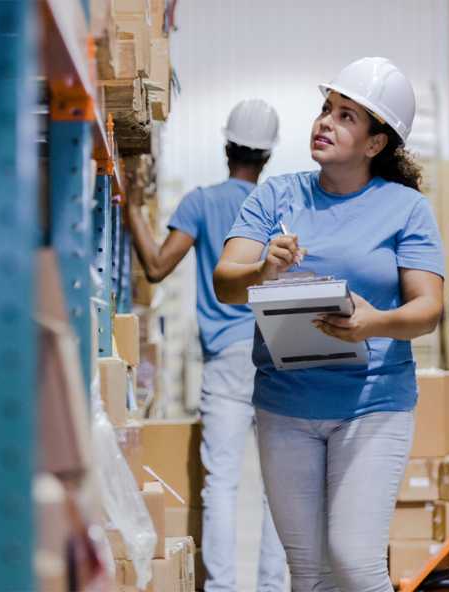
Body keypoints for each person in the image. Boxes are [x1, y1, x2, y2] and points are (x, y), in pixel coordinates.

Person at [213, 57, 444, 592]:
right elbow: (226, 283)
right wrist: (262, 268)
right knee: (310, 573)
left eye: (345, 116)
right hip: (286, 404)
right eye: (325, 109)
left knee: (355, 561)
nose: (324, 122)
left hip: (372, 404)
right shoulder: (275, 196)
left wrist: (376, 322)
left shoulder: (406, 209)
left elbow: (427, 309)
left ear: (374, 144)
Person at [125, 99, 287, 592]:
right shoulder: (276, 206)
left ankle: (220, 588)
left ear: (226, 147)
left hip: (225, 360)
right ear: (267, 158)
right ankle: (273, 587)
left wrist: (131, 207)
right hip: (278, 355)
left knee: (221, 485)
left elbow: (155, 266)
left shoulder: (200, 202)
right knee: (279, 490)